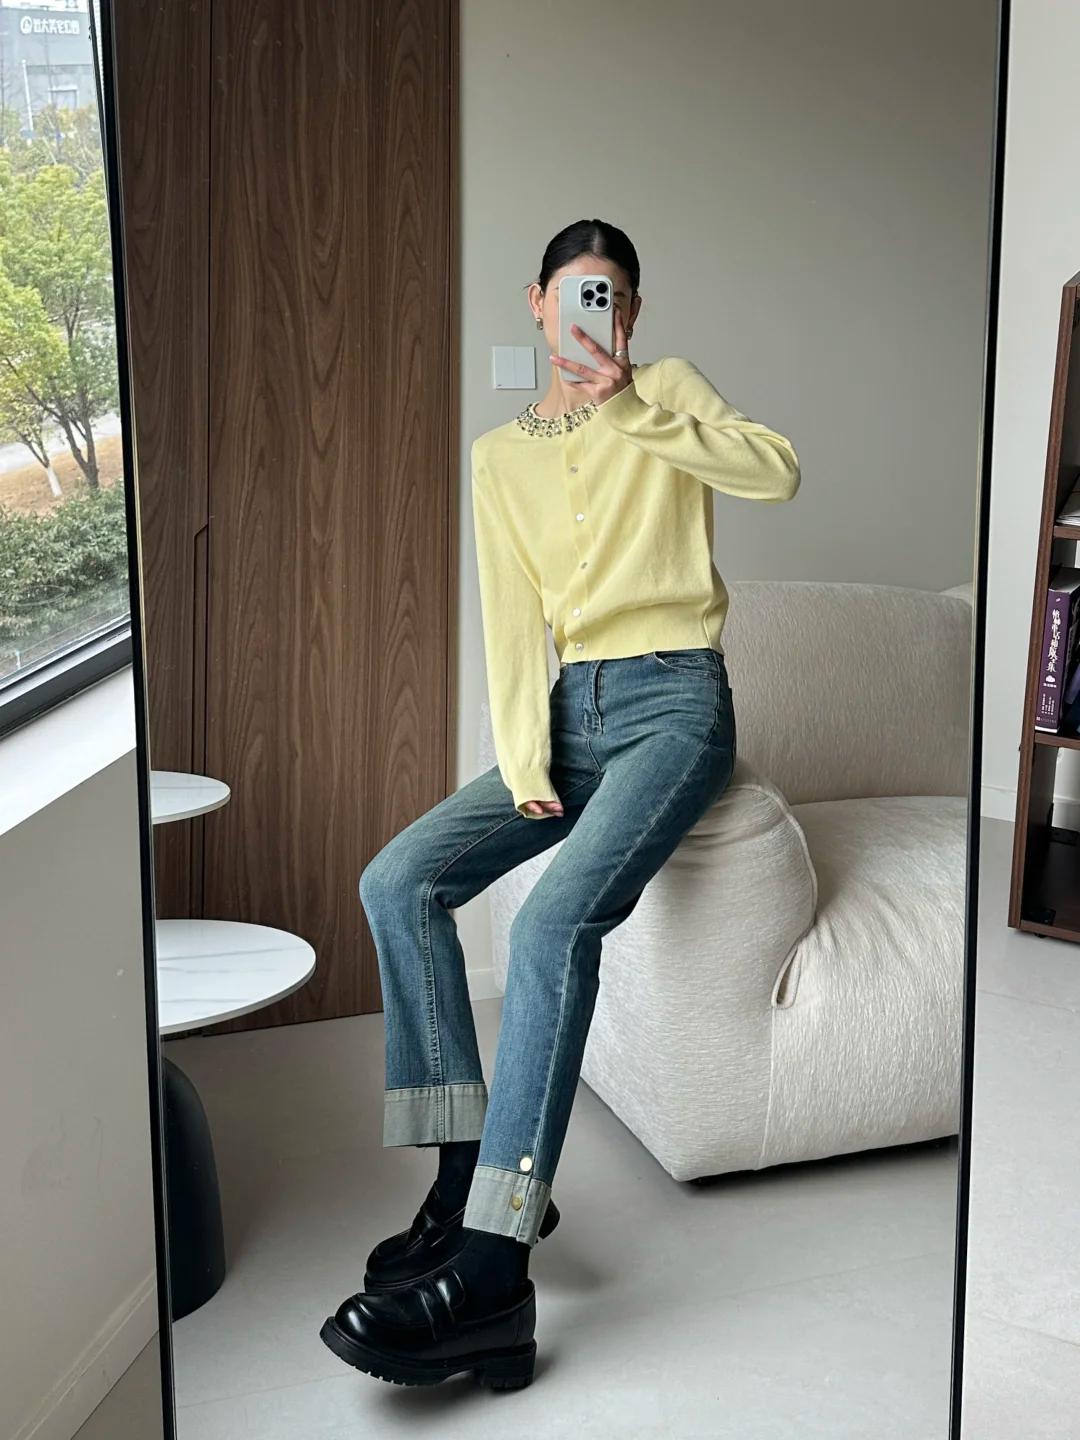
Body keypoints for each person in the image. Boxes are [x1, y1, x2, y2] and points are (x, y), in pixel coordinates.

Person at [320, 218, 800, 1390]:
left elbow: (775, 472)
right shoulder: (499, 456)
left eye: (617, 299)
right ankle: (460, 1179)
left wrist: (636, 407)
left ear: (633, 315)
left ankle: (493, 1273)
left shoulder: (667, 392)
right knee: (399, 880)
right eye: (581, 294)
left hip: (676, 704)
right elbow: (509, 618)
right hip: (569, 714)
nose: (601, 316)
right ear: (537, 301)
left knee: (548, 924)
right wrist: (524, 757)